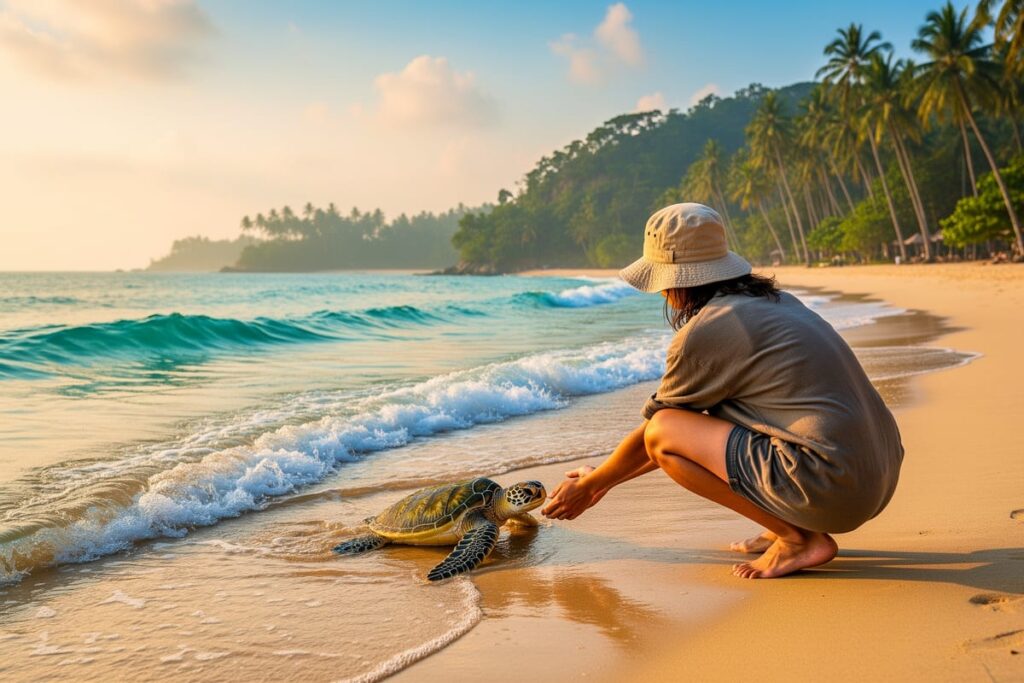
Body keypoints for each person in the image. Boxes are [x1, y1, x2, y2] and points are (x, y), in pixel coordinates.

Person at [541, 203, 904, 579]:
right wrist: (600, 478)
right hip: (875, 476)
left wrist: (591, 485)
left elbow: (660, 436)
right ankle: (786, 524)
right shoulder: (774, 301)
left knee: (667, 428)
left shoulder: (709, 329)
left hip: (834, 487)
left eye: (662, 284)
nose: (663, 295)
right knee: (716, 412)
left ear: (678, 279)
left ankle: (797, 539)